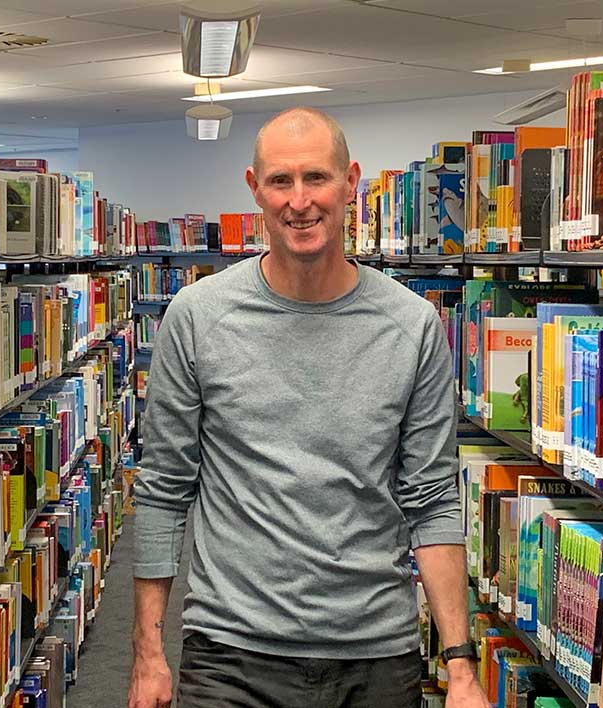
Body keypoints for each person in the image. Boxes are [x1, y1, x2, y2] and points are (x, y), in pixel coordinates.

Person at [127, 106, 489, 708]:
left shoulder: (413, 326)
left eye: (316, 178)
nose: (300, 202)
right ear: (254, 190)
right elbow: (164, 488)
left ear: (351, 183)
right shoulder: (196, 316)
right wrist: (147, 652)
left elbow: (432, 500)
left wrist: (461, 667)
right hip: (231, 653)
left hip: (374, 653)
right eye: (280, 181)